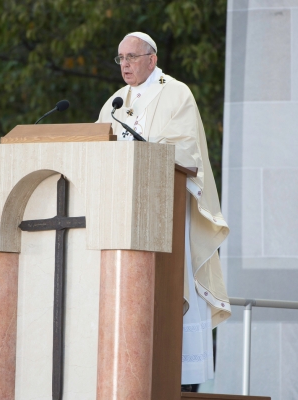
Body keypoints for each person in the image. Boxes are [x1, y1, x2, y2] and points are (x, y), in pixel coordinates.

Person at [97, 32, 231, 389]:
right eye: (120, 58)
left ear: (152, 59)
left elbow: (187, 152)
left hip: (167, 212)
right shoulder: (115, 101)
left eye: (132, 57)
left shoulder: (177, 93)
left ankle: (181, 381)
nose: (124, 65)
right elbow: (96, 150)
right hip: (123, 217)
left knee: (174, 287)